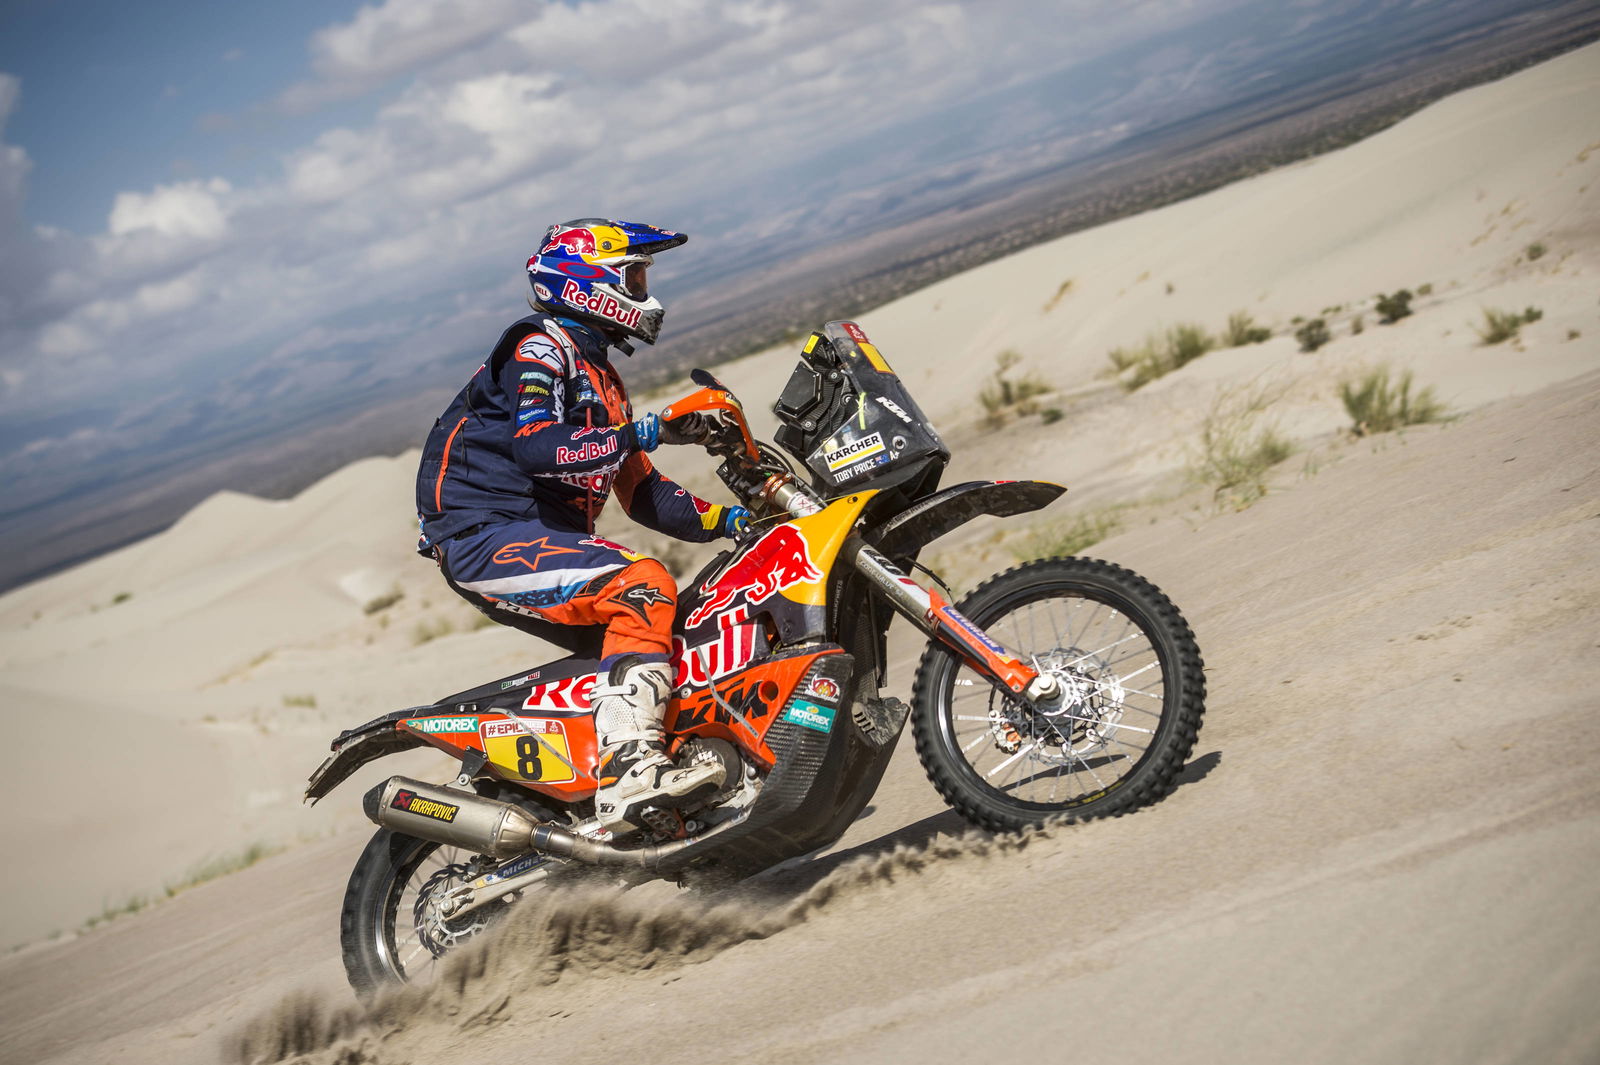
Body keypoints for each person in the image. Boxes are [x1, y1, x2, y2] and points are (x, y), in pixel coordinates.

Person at [414, 218, 750, 835]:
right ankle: (630, 765)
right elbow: (538, 445)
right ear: (588, 283)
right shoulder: (539, 345)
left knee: (680, 631)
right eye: (635, 277)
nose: (647, 295)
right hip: (484, 532)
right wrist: (643, 431)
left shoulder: (605, 384)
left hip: (537, 535)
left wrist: (733, 519)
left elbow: (645, 494)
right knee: (643, 586)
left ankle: (648, 815)